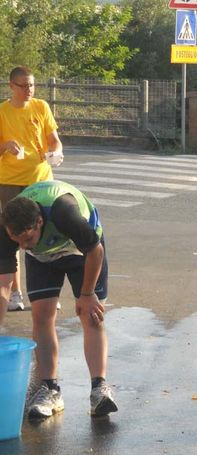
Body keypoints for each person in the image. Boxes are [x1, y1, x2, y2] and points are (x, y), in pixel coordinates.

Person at [0, 180, 118, 419]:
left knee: (91, 315)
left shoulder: (63, 212)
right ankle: (50, 388)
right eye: (17, 241)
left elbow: (95, 251)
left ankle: (99, 388)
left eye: (27, 239)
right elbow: (4, 283)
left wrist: (86, 294)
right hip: (43, 257)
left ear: (39, 222)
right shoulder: (7, 227)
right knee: (41, 315)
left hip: (82, 252)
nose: (22, 247)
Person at [0, 66, 63, 311]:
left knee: (44, 234)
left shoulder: (41, 106)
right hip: (9, 181)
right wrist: (5, 145)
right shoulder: (2, 111)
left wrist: (56, 151)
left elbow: (53, 138)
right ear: (11, 86)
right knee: (14, 234)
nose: (29, 90)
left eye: (32, 85)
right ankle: (15, 293)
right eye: (23, 85)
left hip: (40, 180)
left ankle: (48, 292)